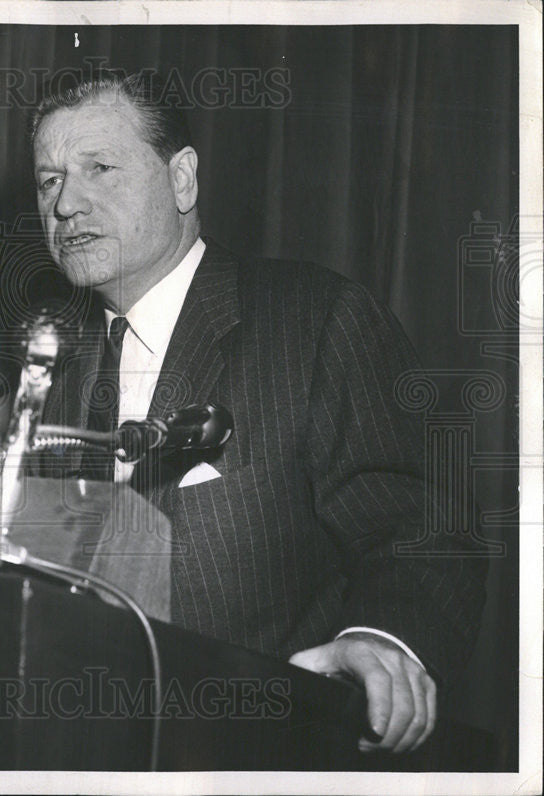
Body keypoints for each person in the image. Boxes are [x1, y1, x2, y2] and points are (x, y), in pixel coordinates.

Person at [29, 70, 486, 755]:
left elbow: (419, 526)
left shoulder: (313, 319)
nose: (66, 205)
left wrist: (382, 639)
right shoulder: (52, 374)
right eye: (48, 181)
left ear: (182, 180)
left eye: (98, 167)